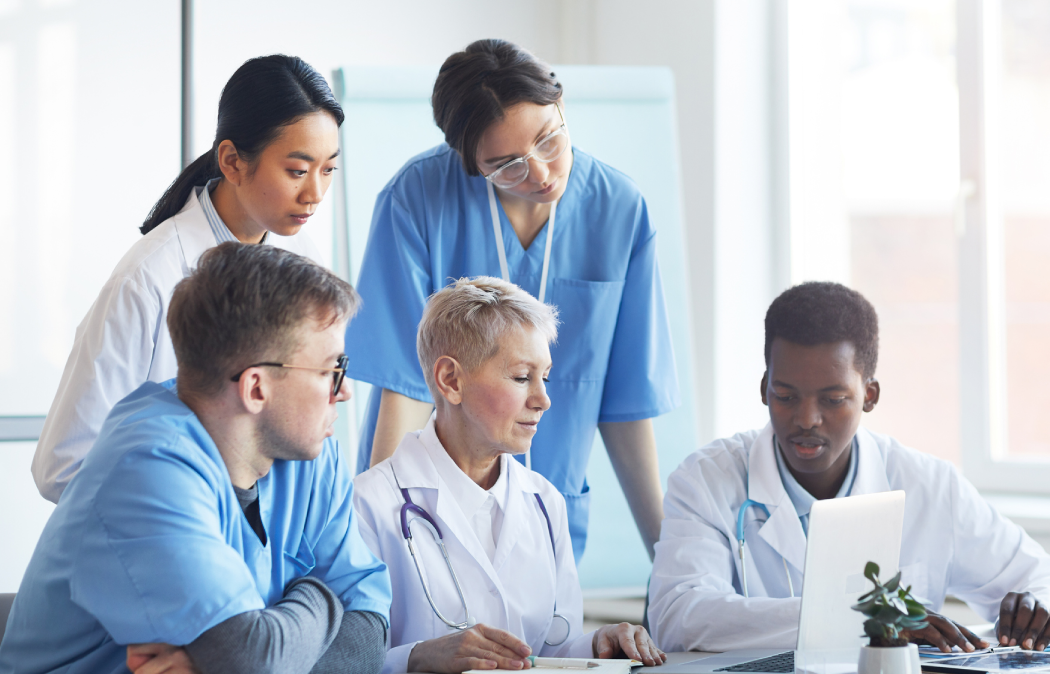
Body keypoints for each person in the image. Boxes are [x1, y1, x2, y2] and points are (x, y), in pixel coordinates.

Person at [346, 39, 679, 560]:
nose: (542, 174)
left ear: (562, 106)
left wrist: (668, 561)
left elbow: (626, 401)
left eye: (549, 141)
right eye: (506, 165)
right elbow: (405, 386)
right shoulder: (417, 199)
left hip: (552, 515)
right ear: (470, 162)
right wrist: (379, 539)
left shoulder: (620, 208)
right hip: (435, 511)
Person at [0, 243, 391, 674]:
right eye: (330, 371)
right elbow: (252, 657)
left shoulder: (307, 447)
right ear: (256, 388)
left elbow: (371, 631)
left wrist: (252, 657)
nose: (344, 391)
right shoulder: (146, 467)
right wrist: (321, 597)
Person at [647, 282, 1050, 654]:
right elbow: (680, 617)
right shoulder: (706, 480)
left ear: (871, 395)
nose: (806, 419)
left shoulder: (928, 486)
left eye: (832, 399)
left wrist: (1039, 608)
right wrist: (867, 618)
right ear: (764, 388)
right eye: (785, 395)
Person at [32, 54, 343, 503]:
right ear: (233, 162)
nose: (315, 194)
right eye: (297, 170)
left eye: (328, 169)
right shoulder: (149, 280)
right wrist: (190, 510)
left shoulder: (305, 261)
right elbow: (63, 466)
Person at [353, 277, 667, 674]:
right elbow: (337, 661)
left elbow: (551, 648)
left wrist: (597, 644)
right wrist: (417, 658)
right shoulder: (368, 506)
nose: (544, 399)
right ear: (451, 380)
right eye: (522, 378)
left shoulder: (544, 501)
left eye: (545, 377)